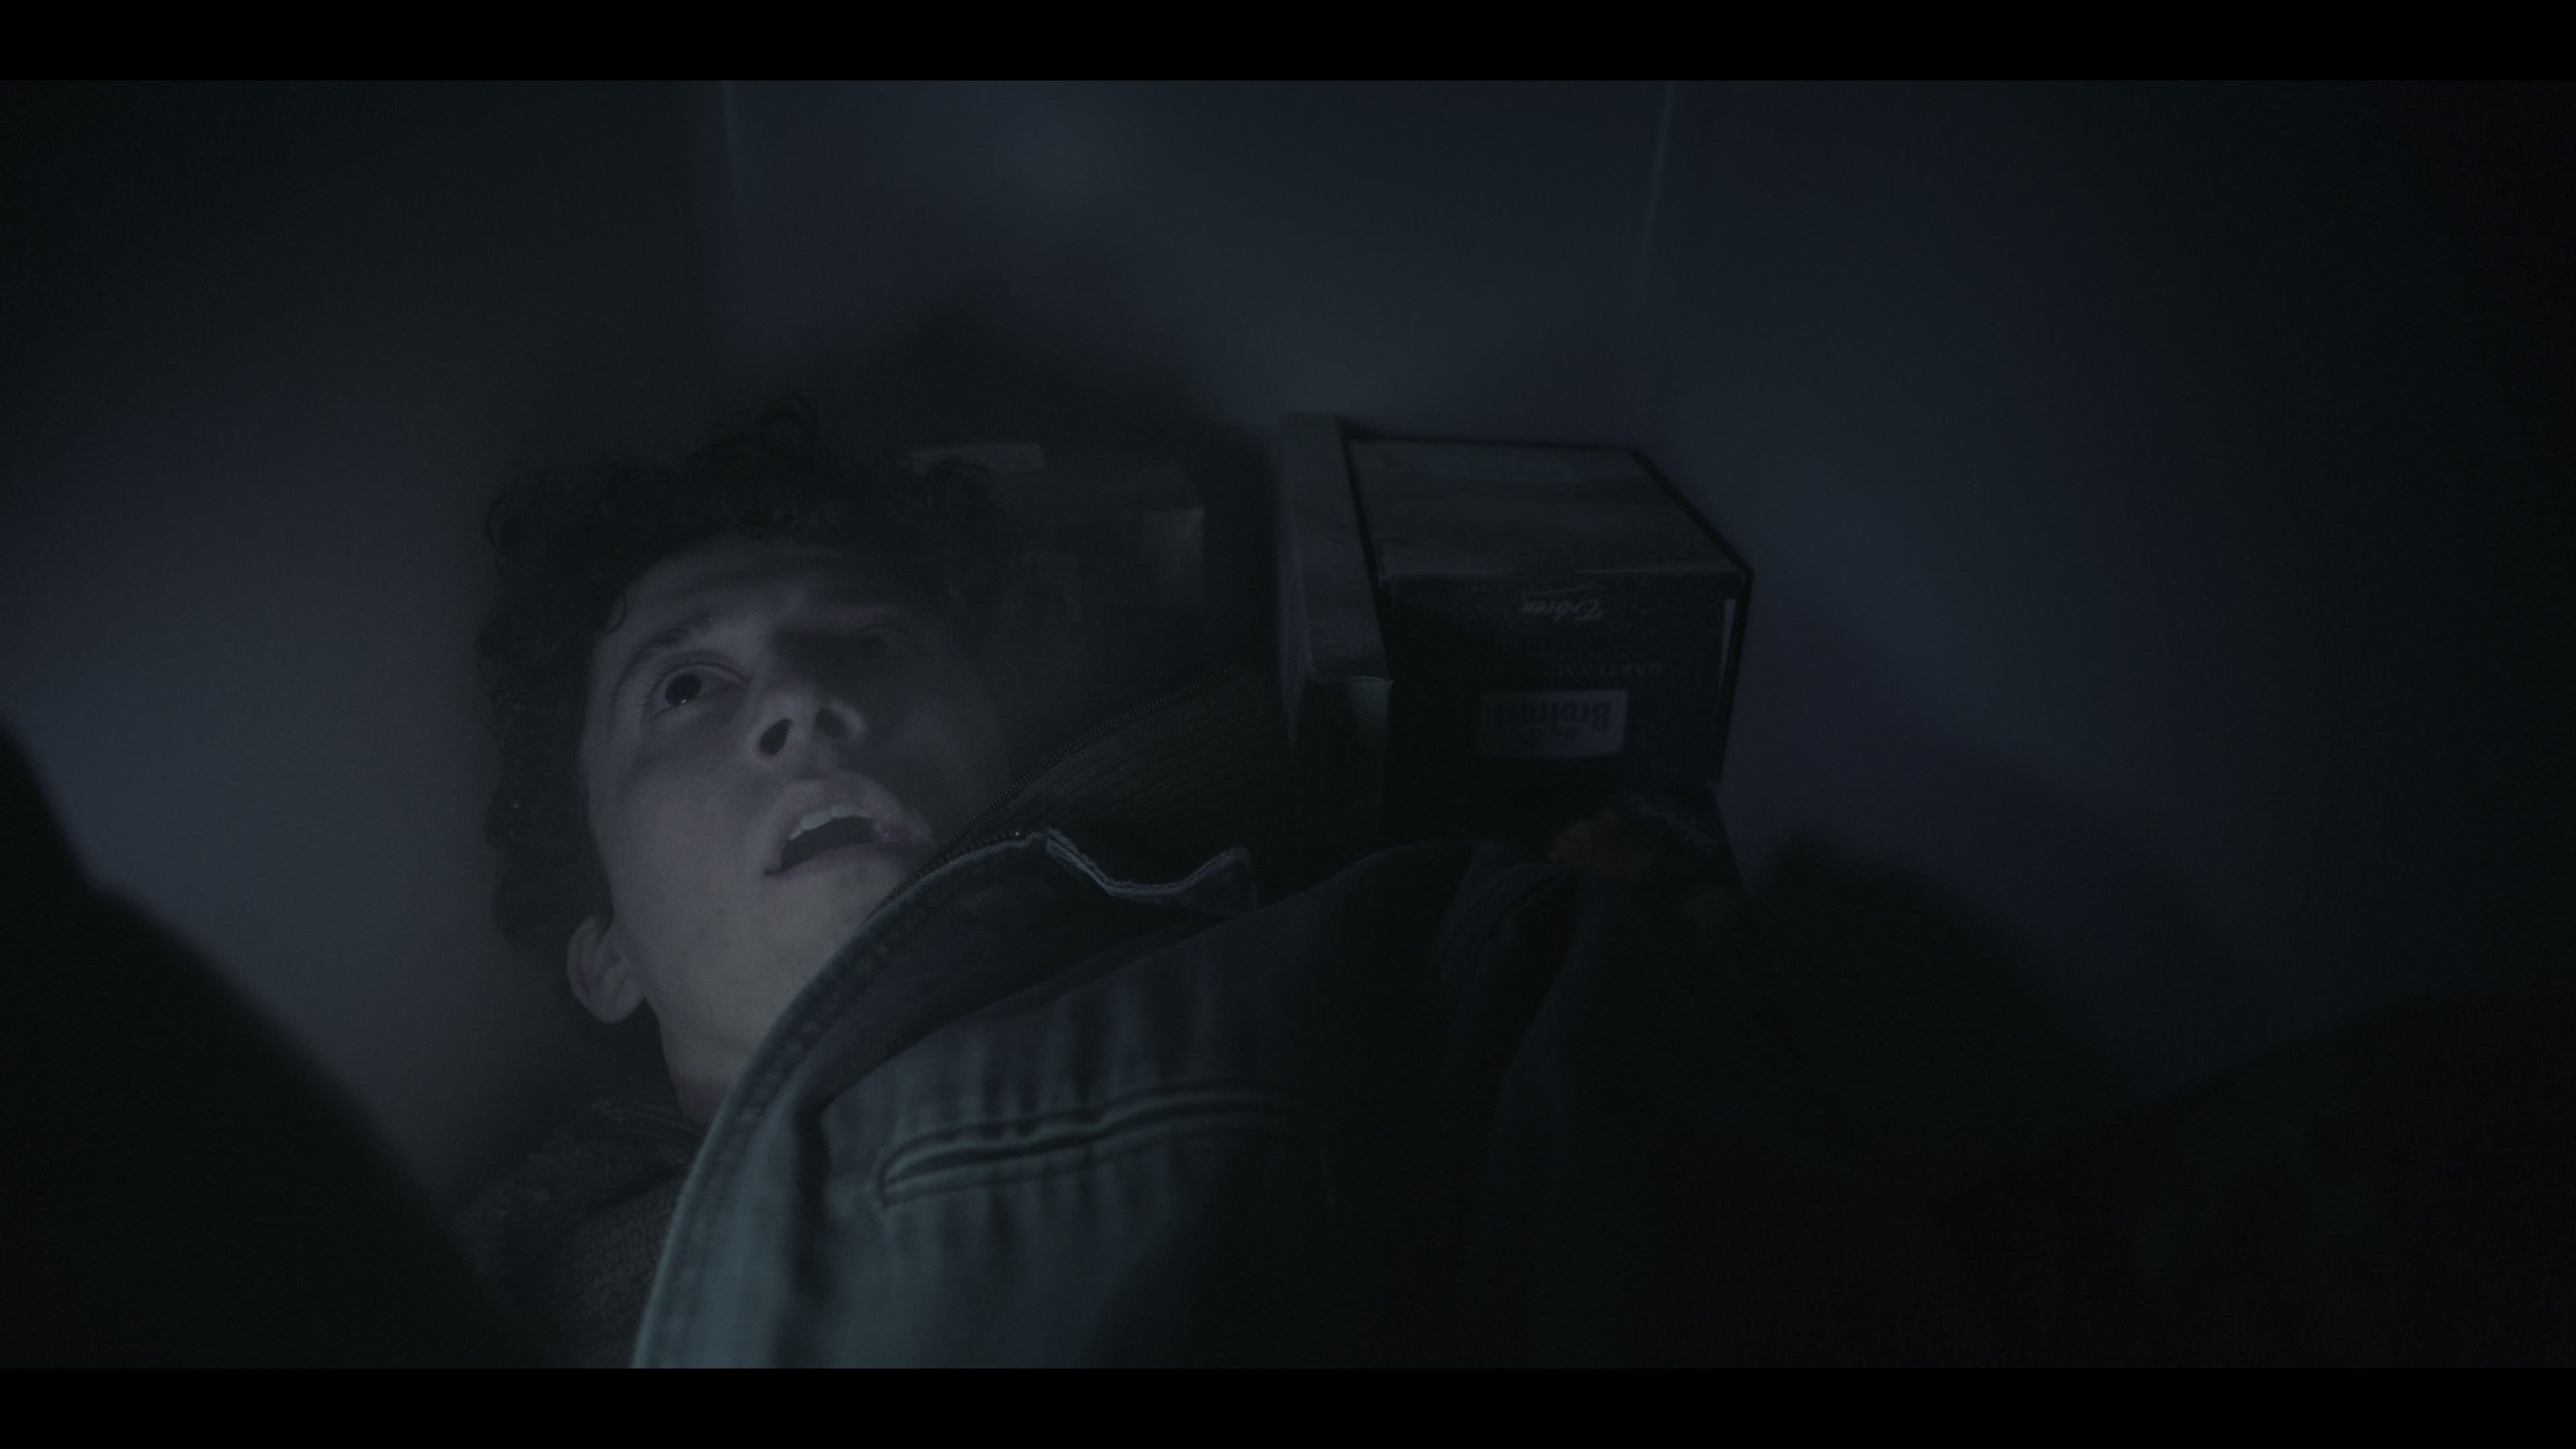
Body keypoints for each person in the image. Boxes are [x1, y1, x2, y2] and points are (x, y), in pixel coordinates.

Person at [455, 399, 1962, 1366]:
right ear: (602, 949)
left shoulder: (1405, 959)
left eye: (869, 642)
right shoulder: (467, 1295)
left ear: (1000, 750)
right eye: (685, 690)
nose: (803, 699)